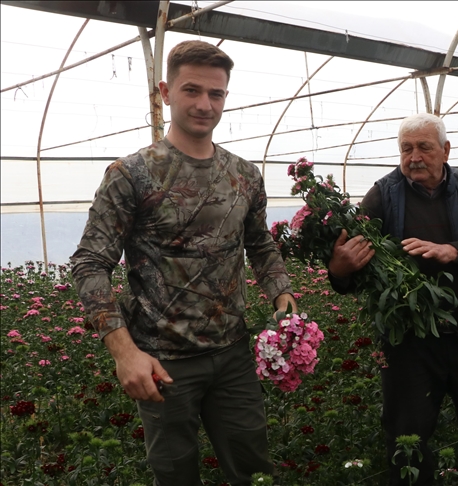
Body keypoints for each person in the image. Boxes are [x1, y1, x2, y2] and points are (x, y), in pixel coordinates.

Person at [71, 40, 297, 486]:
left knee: (253, 470)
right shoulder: (132, 174)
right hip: (162, 362)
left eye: (216, 94)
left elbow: (259, 245)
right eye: (192, 90)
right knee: (174, 475)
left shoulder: (243, 175)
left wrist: (282, 295)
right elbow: (90, 264)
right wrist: (125, 352)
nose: (204, 104)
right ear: (165, 92)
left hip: (233, 354)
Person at [327, 113, 458, 485]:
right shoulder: (383, 193)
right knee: (407, 434)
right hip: (408, 340)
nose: (414, 157)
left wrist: (452, 251)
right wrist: (340, 269)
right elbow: (352, 257)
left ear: (445, 150)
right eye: (406, 149)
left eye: (424, 148)